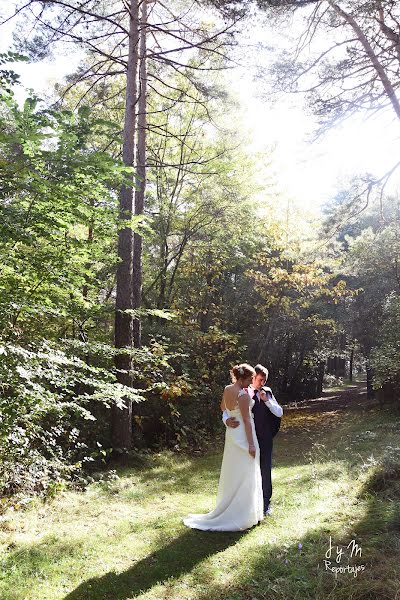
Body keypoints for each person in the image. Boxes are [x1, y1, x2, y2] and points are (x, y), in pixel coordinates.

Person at [183, 363, 264, 531]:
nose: (251, 381)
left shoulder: (227, 389)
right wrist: (250, 444)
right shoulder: (243, 395)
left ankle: (240, 509)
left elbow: (223, 408)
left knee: (235, 470)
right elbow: (247, 420)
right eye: (249, 379)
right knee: (246, 471)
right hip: (243, 434)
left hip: (232, 434)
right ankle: (242, 514)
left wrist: (227, 420)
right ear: (241, 379)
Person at [223, 364, 283, 516]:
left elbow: (279, 412)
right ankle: (246, 503)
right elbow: (227, 409)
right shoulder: (242, 391)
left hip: (264, 437)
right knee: (246, 470)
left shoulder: (267, 392)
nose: (262, 383)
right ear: (253, 377)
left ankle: (265, 503)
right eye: (260, 380)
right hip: (244, 437)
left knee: (265, 469)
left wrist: (267, 401)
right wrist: (225, 420)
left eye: (265, 381)